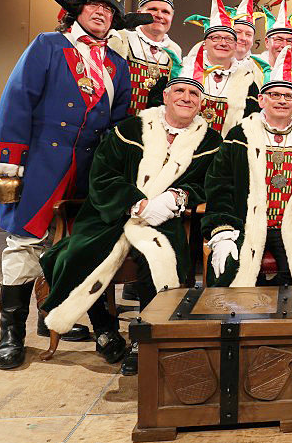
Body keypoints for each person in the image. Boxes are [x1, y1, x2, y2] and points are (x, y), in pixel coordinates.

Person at [0, 0, 138, 370]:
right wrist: (9, 166)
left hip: (89, 173)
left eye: (109, 8)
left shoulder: (118, 66)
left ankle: (102, 326)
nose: (101, 12)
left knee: (90, 247)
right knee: (25, 245)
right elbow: (16, 103)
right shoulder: (48, 46)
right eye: (93, 4)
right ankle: (11, 334)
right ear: (77, 9)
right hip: (42, 167)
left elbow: (119, 125)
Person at [37, 77, 220, 373]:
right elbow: (102, 174)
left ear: (201, 103)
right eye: (179, 91)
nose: (186, 97)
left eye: (194, 94)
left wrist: (178, 196)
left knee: (157, 258)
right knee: (77, 255)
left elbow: (209, 183)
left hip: (164, 219)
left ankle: (145, 337)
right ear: (165, 97)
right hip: (112, 213)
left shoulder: (210, 141)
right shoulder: (130, 129)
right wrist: (135, 202)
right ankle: (104, 329)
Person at [202, 47, 292, 287]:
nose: (282, 101)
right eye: (275, 95)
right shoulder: (239, 135)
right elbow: (219, 185)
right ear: (261, 100)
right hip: (244, 225)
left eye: (288, 96)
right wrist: (223, 230)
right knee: (227, 277)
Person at [180, 0, 260, 133]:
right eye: (216, 38)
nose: (223, 43)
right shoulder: (185, 71)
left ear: (235, 45)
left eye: (229, 39)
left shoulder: (248, 82)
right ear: (205, 43)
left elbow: (252, 125)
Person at [115, 0, 186, 115]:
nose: (159, 15)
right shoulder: (122, 39)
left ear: (171, 18)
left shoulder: (175, 50)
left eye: (165, 12)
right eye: (153, 9)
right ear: (139, 14)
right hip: (120, 122)